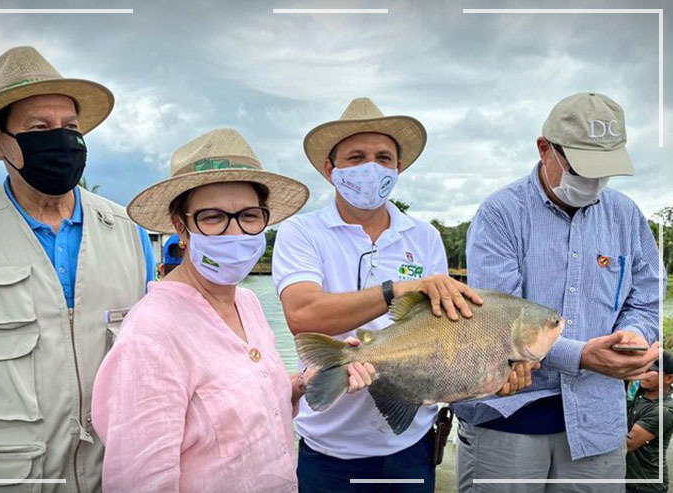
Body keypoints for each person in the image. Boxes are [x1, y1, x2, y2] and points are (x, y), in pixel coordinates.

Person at [91, 128, 377, 492]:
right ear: (182, 226)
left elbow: (251, 406)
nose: (234, 232)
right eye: (213, 218)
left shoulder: (248, 302)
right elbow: (140, 482)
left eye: (248, 216)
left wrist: (310, 379)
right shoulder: (151, 334)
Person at [0, 46, 156, 492]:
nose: (61, 139)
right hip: (0, 479)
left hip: (110, 477)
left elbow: (153, 356)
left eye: (70, 127)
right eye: (39, 128)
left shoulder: (130, 232)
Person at [272, 97, 531, 492]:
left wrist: (490, 375)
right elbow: (303, 315)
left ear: (398, 168)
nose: (370, 167)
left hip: (410, 443)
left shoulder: (424, 237)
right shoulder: (301, 233)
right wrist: (397, 288)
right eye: (355, 157)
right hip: (328, 449)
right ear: (330, 169)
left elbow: (445, 332)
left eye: (383, 157)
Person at [452, 92, 663, 492]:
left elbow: (647, 298)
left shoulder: (626, 215)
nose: (593, 182)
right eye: (582, 167)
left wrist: (635, 336)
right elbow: (497, 322)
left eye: (604, 170)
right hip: (508, 416)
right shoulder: (500, 213)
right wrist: (582, 356)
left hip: (597, 425)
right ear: (545, 149)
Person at [626, 351, 673, 493]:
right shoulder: (638, 391)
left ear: (669, 378)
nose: (644, 373)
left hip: (645, 485)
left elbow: (629, 444)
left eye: (652, 371)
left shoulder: (663, 411)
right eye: (644, 368)